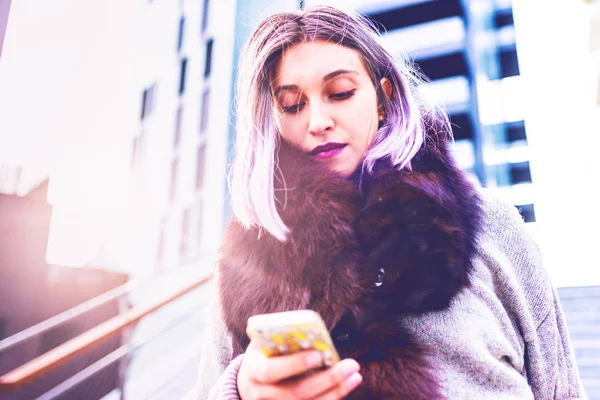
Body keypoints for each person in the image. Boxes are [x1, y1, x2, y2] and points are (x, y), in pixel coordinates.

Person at [190, 5, 586, 400]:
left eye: (341, 93)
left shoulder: (491, 228)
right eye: (292, 104)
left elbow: (562, 390)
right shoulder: (245, 266)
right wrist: (240, 389)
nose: (318, 121)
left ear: (383, 98)